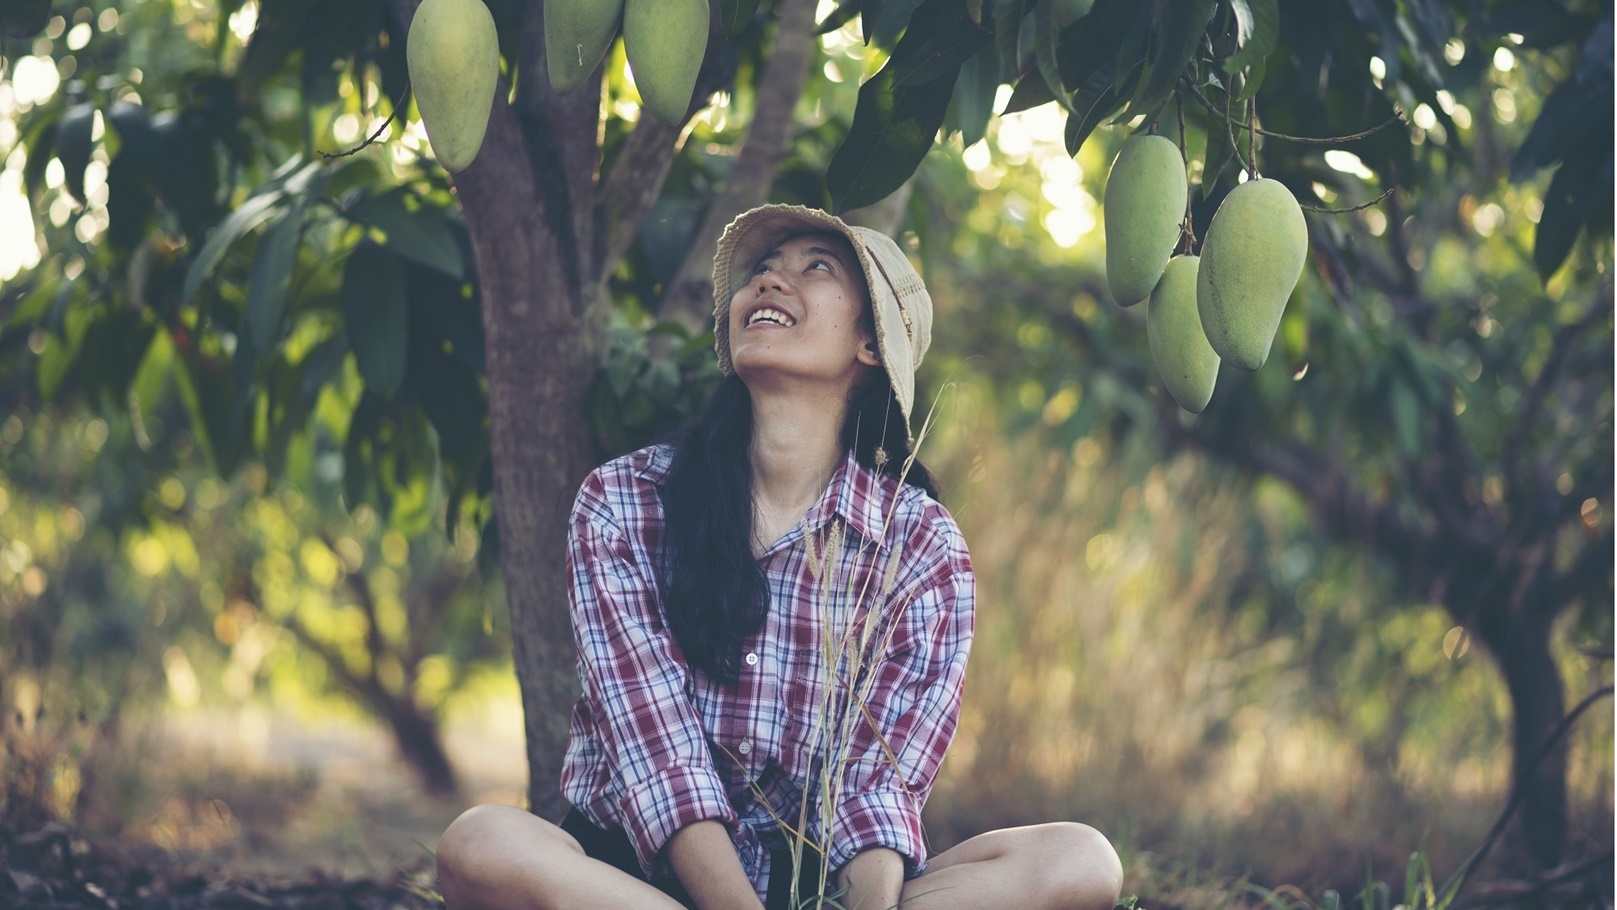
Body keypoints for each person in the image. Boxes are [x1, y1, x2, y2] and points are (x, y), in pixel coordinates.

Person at [433, 205, 1124, 910]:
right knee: (481, 844)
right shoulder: (625, 501)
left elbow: (878, 790)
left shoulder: (920, 546)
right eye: (760, 272)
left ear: (869, 345)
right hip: (634, 887)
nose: (768, 283)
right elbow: (660, 758)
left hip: (819, 886)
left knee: (1078, 860)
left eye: (813, 268)